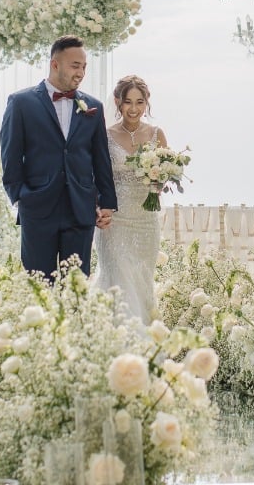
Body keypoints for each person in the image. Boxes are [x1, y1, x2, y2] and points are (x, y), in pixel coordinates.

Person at [0, 35, 116, 279]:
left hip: (80, 210)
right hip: (38, 209)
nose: (81, 72)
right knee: (39, 287)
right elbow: (10, 157)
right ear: (55, 64)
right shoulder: (21, 103)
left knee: (76, 288)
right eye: (75, 65)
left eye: (84, 67)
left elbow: (100, 159)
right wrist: (21, 199)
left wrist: (107, 203)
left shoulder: (93, 106)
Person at [93, 74, 166, 323]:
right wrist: (98, 208)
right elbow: (96, 177)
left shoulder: (158, 134)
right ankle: (116, 343)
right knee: (118, 281)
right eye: (128, 102)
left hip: (146, 223)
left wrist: (160, 180)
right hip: (115, 222)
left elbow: (164, 177)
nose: (133, 109)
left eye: (139, 102)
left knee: (141, 282)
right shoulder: (105, 135)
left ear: (147, 102)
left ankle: (143, 345)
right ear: (117, 102)